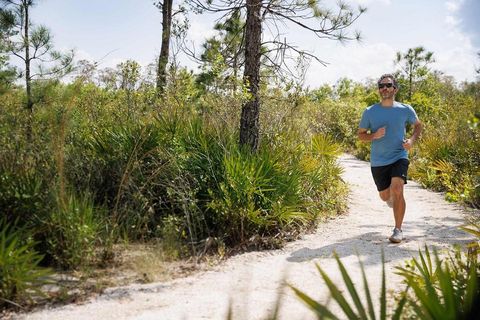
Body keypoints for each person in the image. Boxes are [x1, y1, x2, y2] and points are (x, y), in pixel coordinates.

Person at [357, 74, 423, 243]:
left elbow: (418, 125)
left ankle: (398, 230)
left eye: (387, 85)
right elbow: (361, 135)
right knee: (385, 196)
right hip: (378, 161)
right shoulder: (370, 111)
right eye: (381, 86)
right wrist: (374, 135)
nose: (384, 88)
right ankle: (391, 200)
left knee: (398, 189)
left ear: (395, 88)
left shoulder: (405, 109)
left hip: (399, 155)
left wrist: (411, 141)